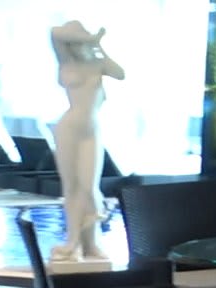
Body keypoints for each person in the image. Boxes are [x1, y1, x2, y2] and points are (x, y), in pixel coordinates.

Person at [49, 22, 125, 262]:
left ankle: (90, 243)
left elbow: (120, 73)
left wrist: (98, 46)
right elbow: (55, 32)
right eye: (75, 41)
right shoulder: (65, 62)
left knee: (89, 188)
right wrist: (90, 38)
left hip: (92, 131)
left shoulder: (97, 63)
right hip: (68, 128)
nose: (78, 46)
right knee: (71, 187)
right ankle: (73, 241)